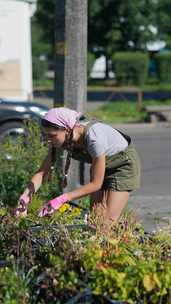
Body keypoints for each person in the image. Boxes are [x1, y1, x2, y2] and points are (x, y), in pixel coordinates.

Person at [13, 107, 141, 230]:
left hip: (122, 166)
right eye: (46, 135)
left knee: (106, 224)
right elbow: (42, 172)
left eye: (52, 135)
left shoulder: (94, 138)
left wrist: (62, 199)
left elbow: (96, 184)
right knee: (95, 220)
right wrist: (24, 197)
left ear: (67, 130)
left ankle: (119, 242)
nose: (48, 140)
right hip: (102, 166)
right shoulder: (60, 139)